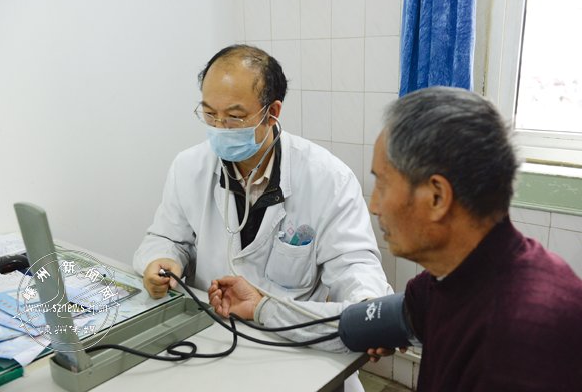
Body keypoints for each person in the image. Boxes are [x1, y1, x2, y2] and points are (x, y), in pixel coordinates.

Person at [133, 44, 392, 388]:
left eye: (235, 116)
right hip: (213, 340)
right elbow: (166, 238)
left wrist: (368, 307)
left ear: (272, 112)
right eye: (209, 114)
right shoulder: (189, 167)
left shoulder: (327, 178)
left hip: (296, 348)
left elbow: (354, 265)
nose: (220, 127)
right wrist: (163, 261)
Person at [367, 86, 582, 391]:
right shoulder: (453, 276)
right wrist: (366, 324)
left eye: (382, 185)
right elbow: (401, 313)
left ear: (437, 197)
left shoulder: (518, 343)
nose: (374, 206)